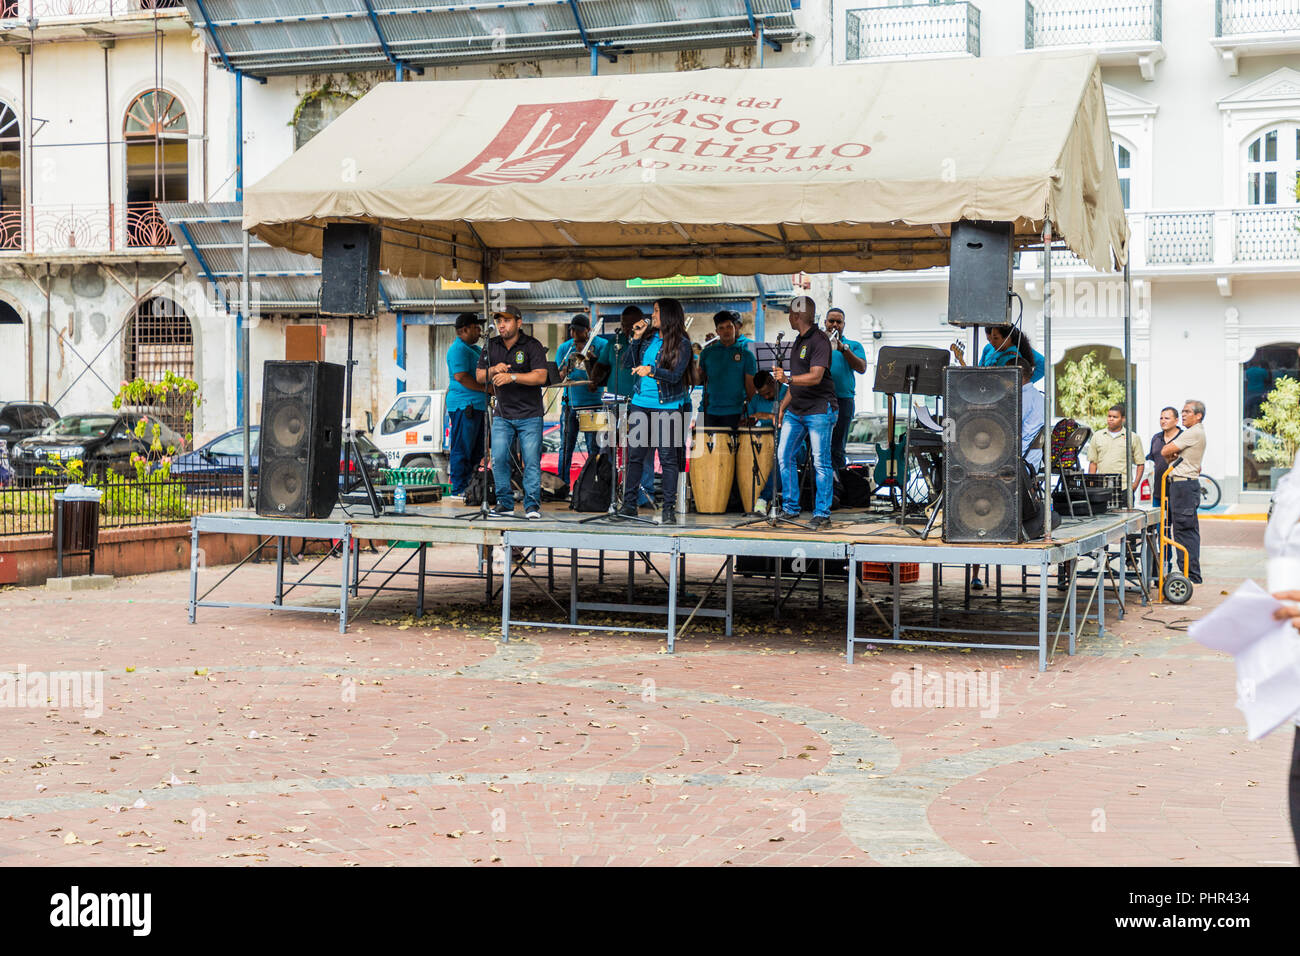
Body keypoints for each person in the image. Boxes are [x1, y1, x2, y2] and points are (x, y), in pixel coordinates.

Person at [618, 297, 694, 524]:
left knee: (668, 458)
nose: (652, 316)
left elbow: (675, 376)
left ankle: (668, 509)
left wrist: (651, 370)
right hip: (641, 403)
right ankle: (629, 505)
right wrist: (636, 338)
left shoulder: (682, 343)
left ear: (669, 315)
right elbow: (627, 364)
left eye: (657, 311)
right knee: (635, 457)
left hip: (668, 406)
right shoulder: (648, 339)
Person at [475, 306, 549, 519]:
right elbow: (480, 375)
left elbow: (541, 377)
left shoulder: (532, 345)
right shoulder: (491, 345)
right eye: (499, 321)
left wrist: (513, 377)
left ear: (519, 322)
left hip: (530, 415)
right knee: (497, 458)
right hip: (502, 414)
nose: (501, 325)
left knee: (531, 461)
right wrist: (494, 370)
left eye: (506, 320)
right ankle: (504, 503)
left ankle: (532, 506)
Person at [773, 295, 837, 530]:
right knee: (784, 455)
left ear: (797, 315)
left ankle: (822, 513)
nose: (789, 317)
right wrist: (782, 407)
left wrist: (787, 378)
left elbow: (816, 376)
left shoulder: (820, 340)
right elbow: (796, 384)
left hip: (819, 410)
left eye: (790, 313)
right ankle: (790, 508)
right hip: (796, 410)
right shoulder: (798, 341)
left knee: (821, 462)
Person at [555, 313, 611, 493]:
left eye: (578, 330)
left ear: (587, 330)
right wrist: (563, 371)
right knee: (565, 447)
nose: (574, 334)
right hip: (569, 404)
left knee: (593, 448)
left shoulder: (602, 345)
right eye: (572, 330)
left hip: (593, 404)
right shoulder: (565, 348)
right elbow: (558, 376)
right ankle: (562, 487)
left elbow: (601, 376)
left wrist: (590, 358)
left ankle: (593, 486)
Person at [609, 306, 656, 508]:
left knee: (643, 452)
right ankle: (617, 494)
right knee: (612, 448)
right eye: (624, 324)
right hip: (617, 402)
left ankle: (645, 496)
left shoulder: (651, 342)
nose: (627, 327)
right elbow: (621, 364)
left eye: (631, 323)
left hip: (642, 402)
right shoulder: (617, 343)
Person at [1160, 399, 1206, 584]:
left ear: (1198, 416)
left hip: (1183, 486)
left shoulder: (1193, 433)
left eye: (1187, 412)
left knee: (1184, 531)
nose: (1184, 415)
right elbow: (1169, 454)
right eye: (1183, 411)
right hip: (1182, 485)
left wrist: (1171, 454)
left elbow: (1165, 451)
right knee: (1185, 530)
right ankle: (1189, 573)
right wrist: (1172, 454)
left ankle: (1190, 575)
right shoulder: (1192, 433)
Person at [445, 312, 488, 495]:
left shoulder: (474, 349)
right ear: (464, 330)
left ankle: (471, 487)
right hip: (465, 406)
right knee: (462, 448)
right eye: (476, 328)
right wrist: (486, 389)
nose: (479, 332)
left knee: (476, 450)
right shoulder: (458, 350)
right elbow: (461, 377)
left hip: (477, 406)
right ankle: (459, 488)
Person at [696, 310, 756, 428]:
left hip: (738, 413)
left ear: (736, 328)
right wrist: (692, 359)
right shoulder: (707, 353)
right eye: (721, 328)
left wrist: (752, 414)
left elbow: (751, 390)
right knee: (702, 446)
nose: (726, 331)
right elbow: (697, 380)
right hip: (708, 411)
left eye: (729, 326)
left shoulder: (747, 355)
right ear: (717, 331)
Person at [825, 306, 867, 472]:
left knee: (837, 447)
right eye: (831, 321)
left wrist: (843, 349)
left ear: (844, 325)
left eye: (839, 322)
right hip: (820, 400)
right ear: (825, 322)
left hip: (843, 400)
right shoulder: (817, 343)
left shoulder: (853, 345)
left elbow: (862, 367)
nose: (834, 325)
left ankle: (839, 489)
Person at [744, 369, 787, 514]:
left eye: (768, 393)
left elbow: (793, 420)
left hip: (790, 445)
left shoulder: (788, 394)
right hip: (763, 446)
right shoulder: (756, 399)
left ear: (772, 381)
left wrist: (768, 416)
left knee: (782, 459)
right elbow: (748, 420)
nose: (766, 397)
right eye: (762, 395)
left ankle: (763, 499)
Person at [1086, 404, 1145, 503]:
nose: (1111, 419)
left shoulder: (1132, 437)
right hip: (1102, 489)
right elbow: (1093, 463)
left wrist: (1134, 485)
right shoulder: (1098, 436)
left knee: (1125, 517)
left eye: (1115, 417)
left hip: (1124, 488)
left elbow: (1140, 463)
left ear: (1123, 419)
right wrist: (1091, 485)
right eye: (1109, 416)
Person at [951, 324, 1046, 384]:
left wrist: (1024, 384)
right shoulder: (989, 348)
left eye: (995, 338)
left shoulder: (1013, 355)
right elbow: (977, 374)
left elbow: (1043, 364)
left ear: (1008, 338)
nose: (992, 342)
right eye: (989, 339)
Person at [1148, 406, 1182, 508]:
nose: (1163, 421)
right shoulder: (1156, 438)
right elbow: (1152, 460)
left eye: (1167, 418)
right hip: (1159, 493)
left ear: (1176, 421)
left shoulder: (1183, 438)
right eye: (1161, 418)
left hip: (1178, 493)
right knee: (1159, 523)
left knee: (1179, 524)